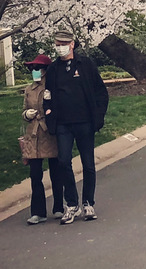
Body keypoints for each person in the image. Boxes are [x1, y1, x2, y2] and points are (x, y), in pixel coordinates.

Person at [44, 28, 110, 223]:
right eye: (57, 45)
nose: (60, 48)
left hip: (85, 123)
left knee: (88, 164)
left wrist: (98, 116)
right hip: (63, 124)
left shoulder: (86, 65)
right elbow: (47, 96)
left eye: (63, 45)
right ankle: (71, 204)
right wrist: (49, 116)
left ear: (72, 45)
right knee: (63, 161)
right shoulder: (54, 69)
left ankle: (88, 203)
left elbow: (101, 91)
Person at [20, 54, 62, 225]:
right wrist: (27, 114)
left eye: (38, 68)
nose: (34, 71)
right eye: (32, 69)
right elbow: (24, 110)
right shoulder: (29, 89)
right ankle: (38, 211)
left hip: (50, 132)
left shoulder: (53, 87)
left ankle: (59, 206)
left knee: (56, 172)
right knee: (35, 174)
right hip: (34, 135)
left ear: (46, 71)